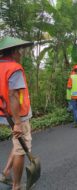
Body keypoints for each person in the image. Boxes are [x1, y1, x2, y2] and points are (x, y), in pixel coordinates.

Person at [0, 36, 33, 190]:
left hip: (3, 113)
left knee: (17, 143)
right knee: (21, 148)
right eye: (19, 51)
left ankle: (6, 172)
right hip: (17, 116)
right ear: (13, 52)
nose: (20, 54)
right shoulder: (14, 68)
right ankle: (16, 186)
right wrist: (18, 123)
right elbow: (13, 94)